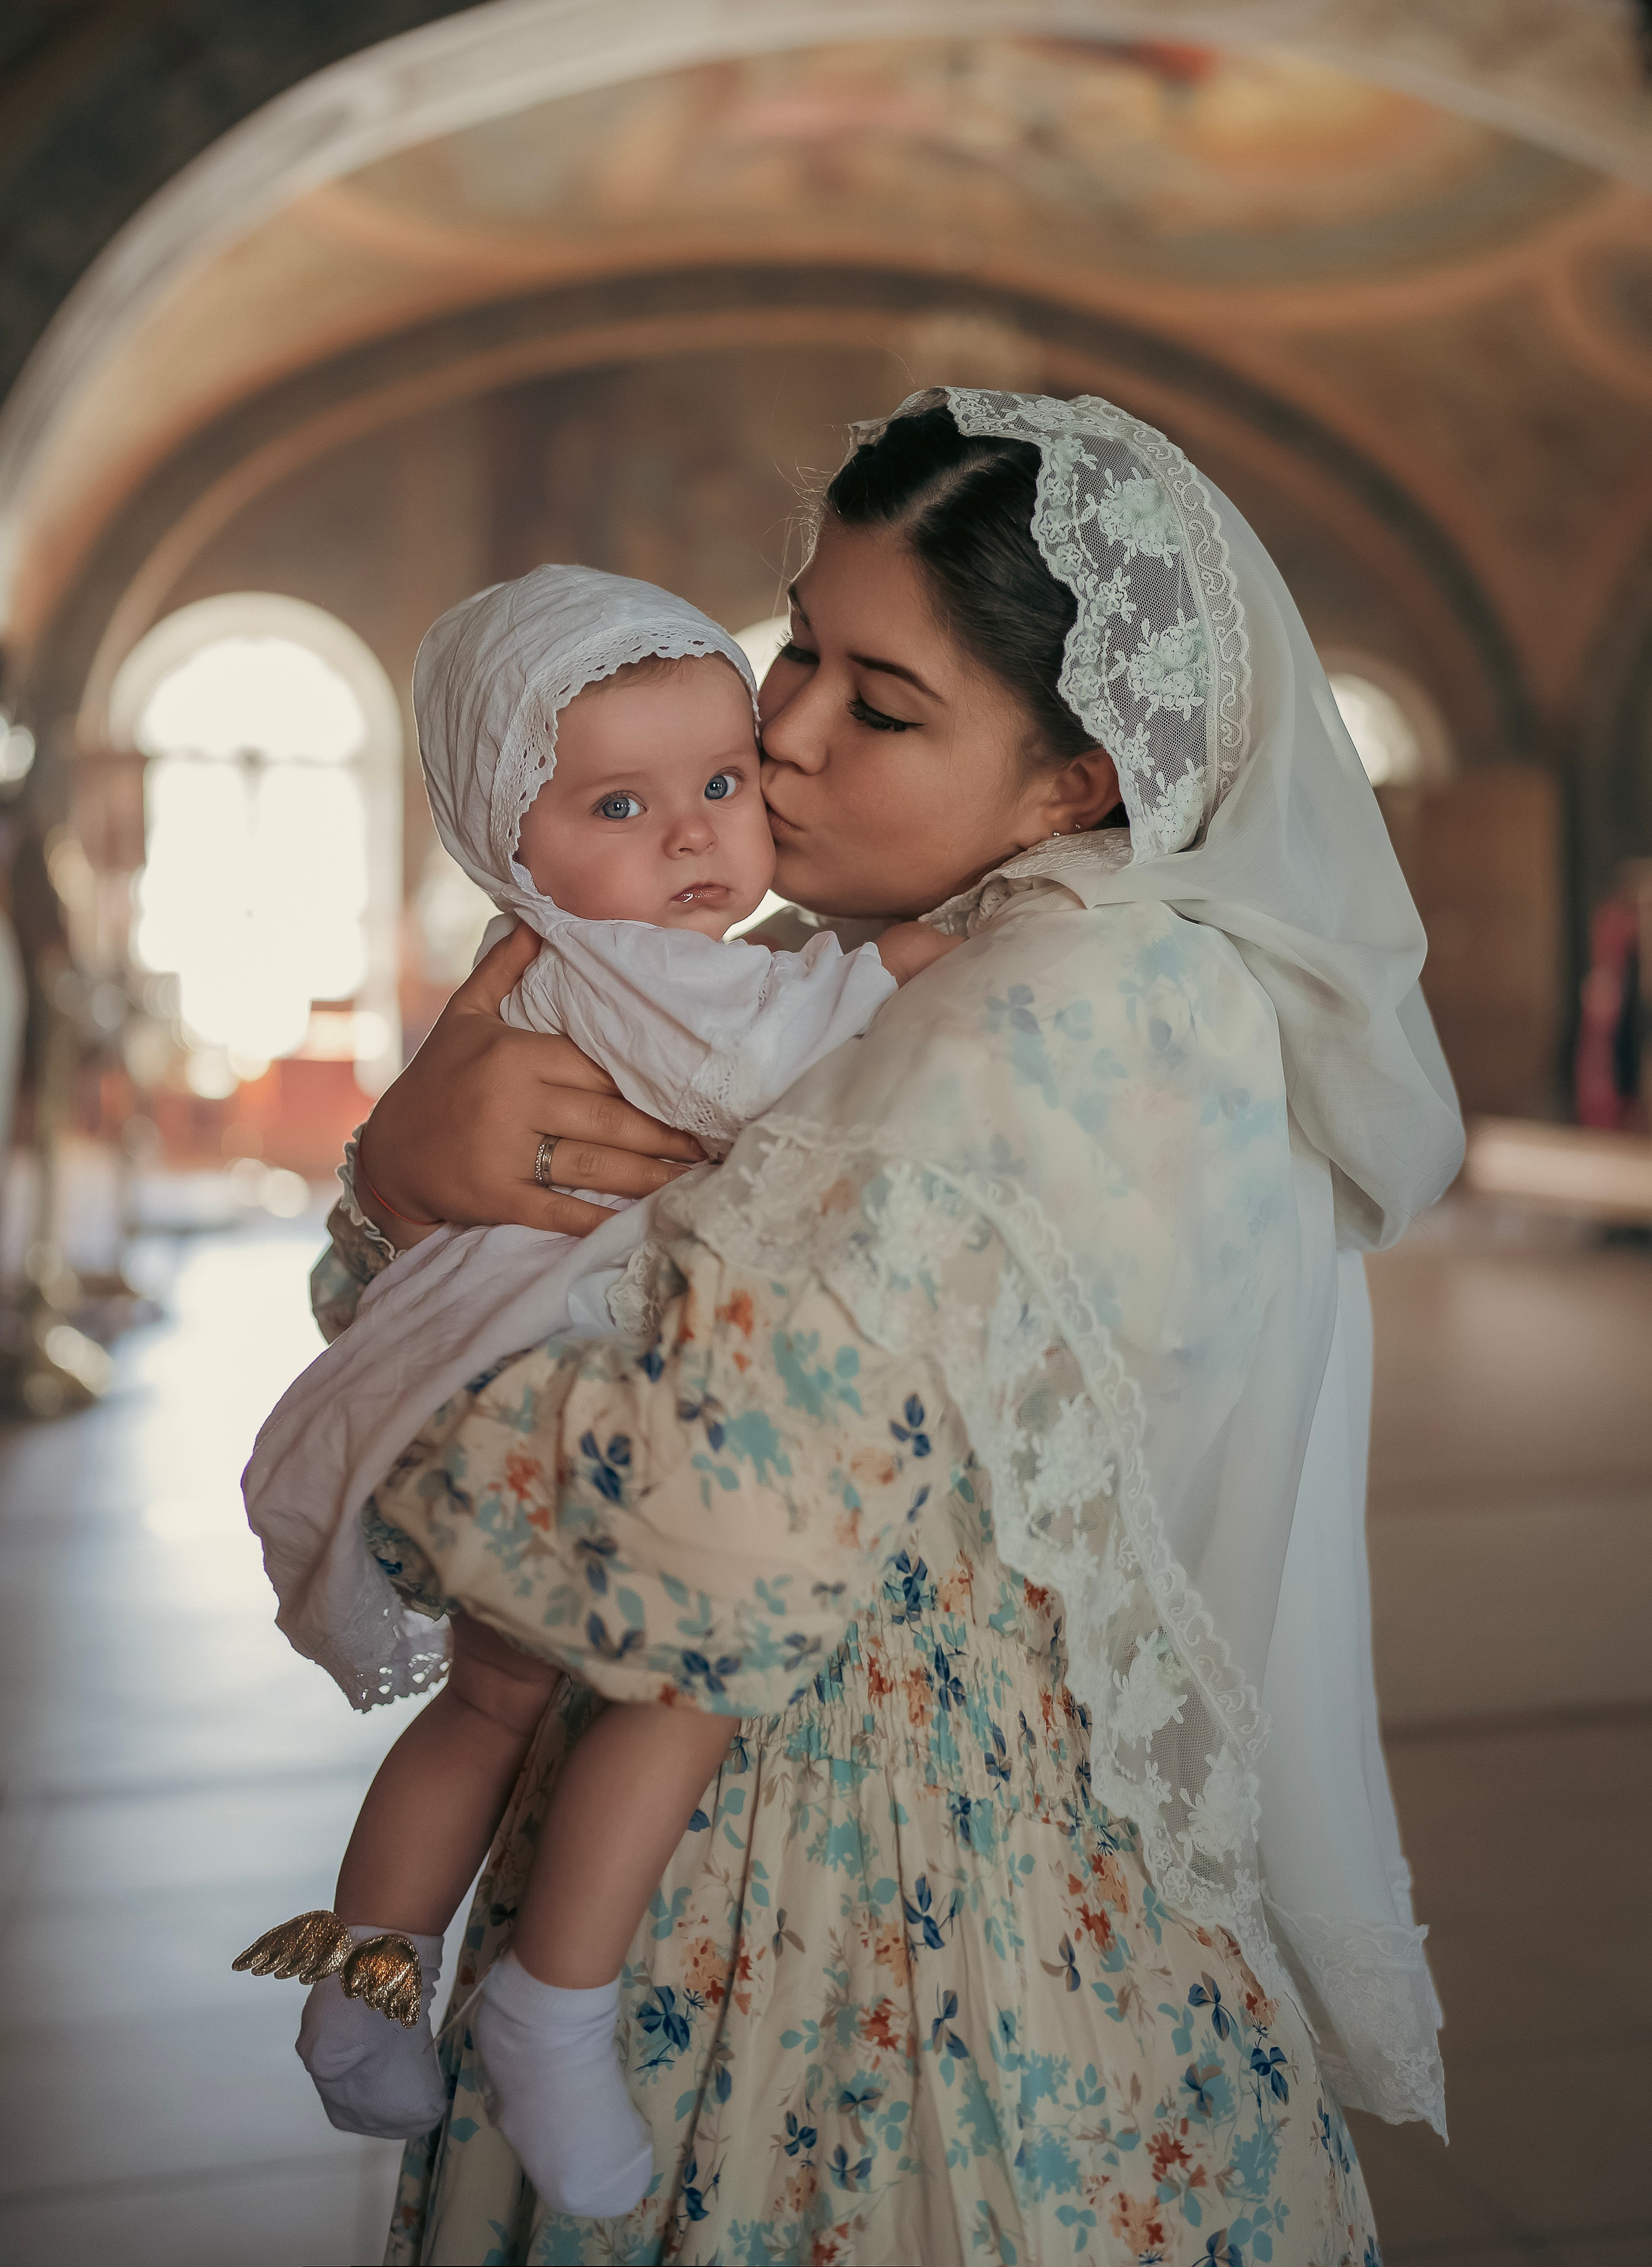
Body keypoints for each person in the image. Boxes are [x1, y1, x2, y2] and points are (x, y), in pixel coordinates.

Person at [313, 390, 1462, 2265]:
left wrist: (420, 1265)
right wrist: (407, 1180)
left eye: (886, 701)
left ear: (1082, 776)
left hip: (890, 1909)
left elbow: (705, 1522)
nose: (784, 733)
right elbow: (458, 1298)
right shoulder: (792, 967)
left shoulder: (1082, 1004)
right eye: (797, 648)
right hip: (679, 1844)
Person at [236, 567, 954, 2216]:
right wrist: (923, 958)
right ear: (514, 844)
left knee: (485, 1705)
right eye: (621, 804)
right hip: (575, 1400)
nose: (698, 838)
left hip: (500, 1390)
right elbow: (778, 1051)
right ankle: (550, 2006)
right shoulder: (637, 965)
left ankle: (365, 1987)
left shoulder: (559, 950)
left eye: (719, 785)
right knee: (686, 1666)